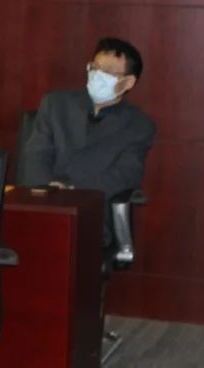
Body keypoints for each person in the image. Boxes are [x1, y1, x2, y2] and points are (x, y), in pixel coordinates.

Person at [19, 37, 157, 247]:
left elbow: (124, 175)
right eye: (95, 67)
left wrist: (72, 190)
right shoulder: (55, 104)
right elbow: (36, 154)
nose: (98, 75)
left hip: (88, 219)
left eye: (108, 71)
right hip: (39, 207)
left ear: (128, 82)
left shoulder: (138, 126)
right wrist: (48, 191)